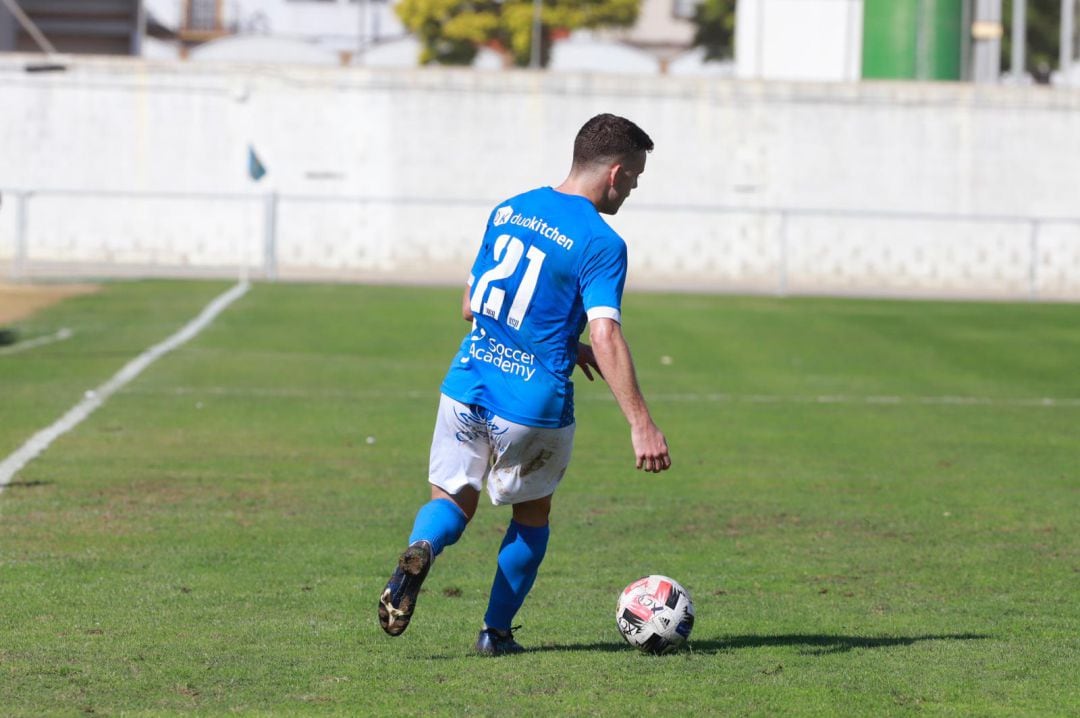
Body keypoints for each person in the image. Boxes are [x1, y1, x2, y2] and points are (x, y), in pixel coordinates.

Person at [378, 113, 671, 656]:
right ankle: (496, 633)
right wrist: (641, 423)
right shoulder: (602, 241)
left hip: (468, 383)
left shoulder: (509, 208)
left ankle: (423, 546)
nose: (630, 190)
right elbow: (605, 332)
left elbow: (472, 306)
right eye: (633, 179)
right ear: (614, 172)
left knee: (452, 499)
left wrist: (563, 341)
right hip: (532, 405)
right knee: (531, 518)